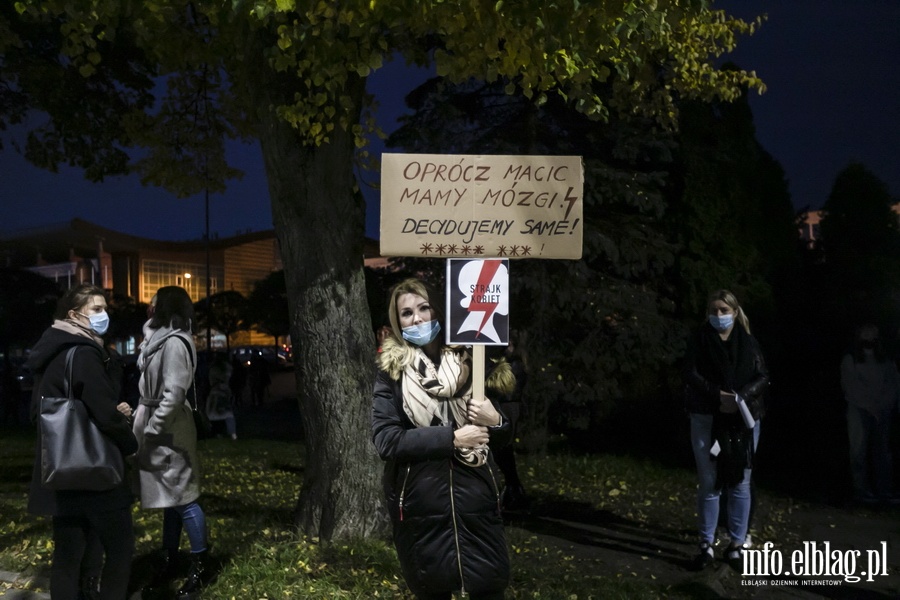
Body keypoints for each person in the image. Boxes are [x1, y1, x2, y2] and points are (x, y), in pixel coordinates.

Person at [371, 277, 514, 600]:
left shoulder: (475, 360)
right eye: (406, 314)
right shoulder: (391, 372)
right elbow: (387, 440)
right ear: (398, 322)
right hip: (422, 508)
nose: (417, 319)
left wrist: (497, 421)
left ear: (438, 310)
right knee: (432, 590)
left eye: (424, 308)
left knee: (489, 589)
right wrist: (451, 438)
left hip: (477, 502)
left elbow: (503, 438)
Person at [26, 283, 138, 599]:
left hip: (61, 470)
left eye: (105, 308)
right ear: (75, 314)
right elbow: (104, 414)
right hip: (95, 472)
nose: (104, 315)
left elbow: (40, 413)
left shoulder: (50, 352)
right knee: (120, 548)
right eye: (97, 309)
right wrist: (129, 443)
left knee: (67, 555)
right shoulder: (85, 352)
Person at [683, 289, 769, 570]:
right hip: (707, 417)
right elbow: (691, 374)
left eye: (724, 310)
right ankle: (706, 543)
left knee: (740, 481)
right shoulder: (700, 341)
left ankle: (737, 543)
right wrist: (716, 395)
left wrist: (740, 397)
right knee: (710, 481)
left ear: (735, 311)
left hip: (741, 421)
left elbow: (762, 376)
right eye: (714, 310)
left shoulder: (747, 342)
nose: (719, 316)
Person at [133, 287, 210, 599]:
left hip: (168, 428)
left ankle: (200, 562)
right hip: (161, 425)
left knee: (183, 495)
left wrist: (152, 427)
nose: (148, 307)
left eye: (153, 302)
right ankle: (171, 557)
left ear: (163, 306)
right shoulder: (159, 339)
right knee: (170, 496)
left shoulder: (175, 342)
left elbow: (174, 392)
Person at [840, 323, 900, 505]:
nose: (869, 335)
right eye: (866, 331)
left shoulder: (885, 360)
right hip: (859, 411)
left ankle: (885, 490)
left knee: (882, 452)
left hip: (882, 411)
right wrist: (868, 405)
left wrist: (883, 405)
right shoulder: (851, 360)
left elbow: (893, 384)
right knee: (858, 451)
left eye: (873, 332)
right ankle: (862, 491)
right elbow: (851, 386)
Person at [494, 334, 530, 512]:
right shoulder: (513, 362)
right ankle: (513, 490)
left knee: (502, 448)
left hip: (507, 407)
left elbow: (506, 389)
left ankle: (513, 490)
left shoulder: (513, 364)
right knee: (503, 450)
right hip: (508, 406)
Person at [206, 352, 237, 440]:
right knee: (227, 414)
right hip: (223, 392)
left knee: (215, 414)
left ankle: (218, 433)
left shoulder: (215, 368)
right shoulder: (226, 368)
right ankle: (231, 433)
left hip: (216, 392)